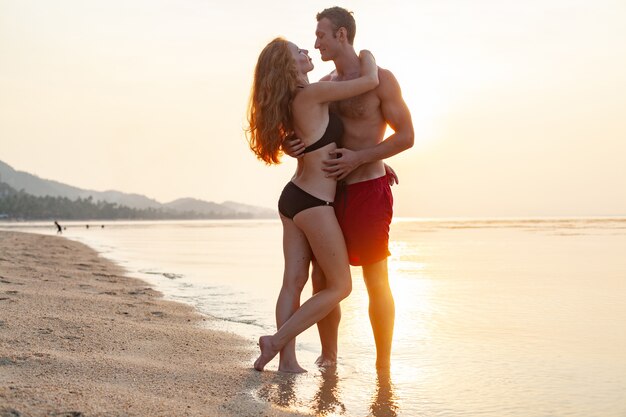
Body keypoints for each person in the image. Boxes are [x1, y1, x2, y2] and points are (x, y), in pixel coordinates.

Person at [284, 7, 414, 369]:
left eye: (321, 35)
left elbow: (407, 136)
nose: (316, 43)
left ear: (341, 35)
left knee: (376, 279)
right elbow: (307, 130)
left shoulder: (381, 79)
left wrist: (364, 158)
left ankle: (383, 368)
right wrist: (288, 144)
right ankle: (329, 357)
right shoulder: (325, 85)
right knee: (323, 277)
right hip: (330, 195)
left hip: (369, 191)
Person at [246, 37, 379, 372]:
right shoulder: (312, 93)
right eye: (298, 52)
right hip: (314, 202)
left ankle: (287, 363)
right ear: (288, 66)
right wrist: (367, 55)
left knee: (293, 282)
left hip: (293, 198)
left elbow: (322, 140)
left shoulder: (293, 101)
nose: (306, 52)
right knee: (341, 286)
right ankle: (275, 343)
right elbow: (369, 81)